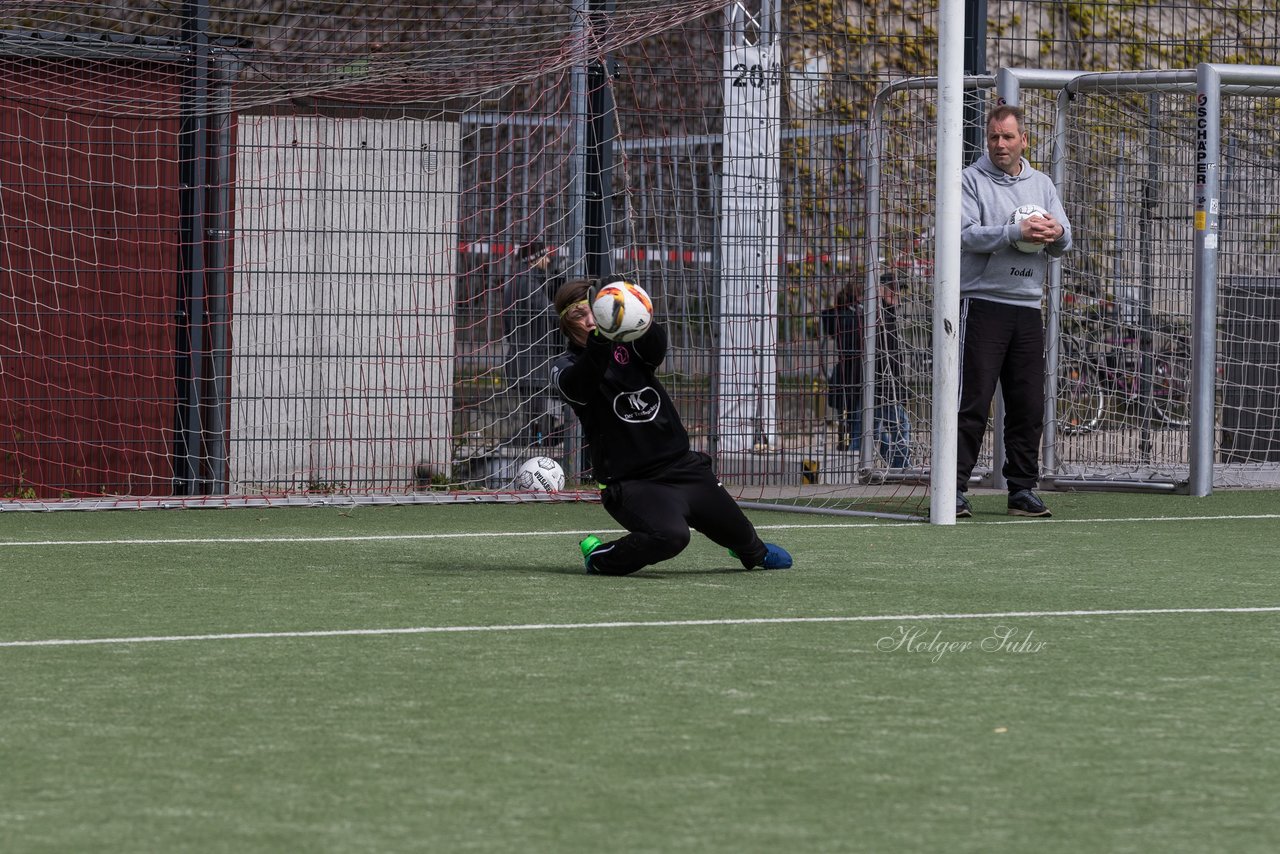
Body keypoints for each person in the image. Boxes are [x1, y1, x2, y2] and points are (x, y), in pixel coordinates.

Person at [550, 278, 792, 576]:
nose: (589, 320)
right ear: (566, 324)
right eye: (579, 315)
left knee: (751, 547)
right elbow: (581, 386)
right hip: (631, 484)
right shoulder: (564, 367)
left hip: (682, 467)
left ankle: (745, 547)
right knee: (671, 536)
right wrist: (602, 335)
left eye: (594, 311)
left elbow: (656, 347)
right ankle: (600, 557)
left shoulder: (626, 344)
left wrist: (633, 310)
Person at [956, 104, 1072, 518]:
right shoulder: (969, 181)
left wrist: (1055, 231)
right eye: (993, 137)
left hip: (1027, 306)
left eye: (1008, 137)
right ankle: (953, 490)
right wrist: (1015, 232)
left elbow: (1065, 237)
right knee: (972, 401)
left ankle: (1021, 490)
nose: (1000, 144)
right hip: (982, 303)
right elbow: (964, 236)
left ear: (1024, 139)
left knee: (1028, 405)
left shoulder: (1041, 184)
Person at [820, 273, 911, 467]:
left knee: (871, 430)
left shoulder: (881, 315)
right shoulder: (867, 317)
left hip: (873, 384)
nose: (897, 295)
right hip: (873, 384)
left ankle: (896, 466)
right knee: (883, 428)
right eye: (892, 289)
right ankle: (897, 466)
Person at [502, 241, 565, 446]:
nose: (548, 260)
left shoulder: (520, 280)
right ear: (534, 259)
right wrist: (573, 316)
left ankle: (536, 445)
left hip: (529, 361)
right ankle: (533, 451)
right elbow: (546, 308)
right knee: (539, 421)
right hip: (532, 363)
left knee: (540, 417)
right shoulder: (526, 282)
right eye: (545, 257)